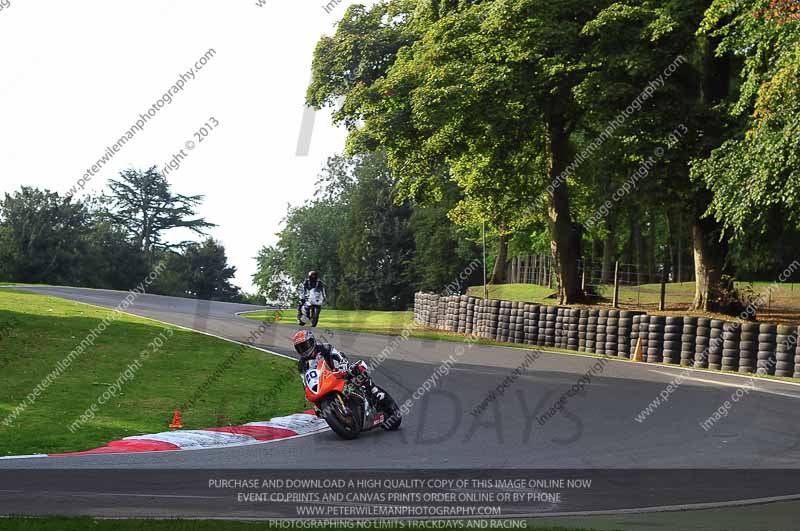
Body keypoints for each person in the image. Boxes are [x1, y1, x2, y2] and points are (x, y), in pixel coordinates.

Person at [293, 329, 385, 401]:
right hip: (324, 382)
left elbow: (338, 356)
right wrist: (307, 392)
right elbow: (305, 382)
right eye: (300, 348)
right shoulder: (302, 365)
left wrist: (342, 366)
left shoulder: (324, 347)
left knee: (358, 367)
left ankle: (374, 390)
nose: (303, 349)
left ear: (312, 341)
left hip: (338, 370)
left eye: (305, 345)